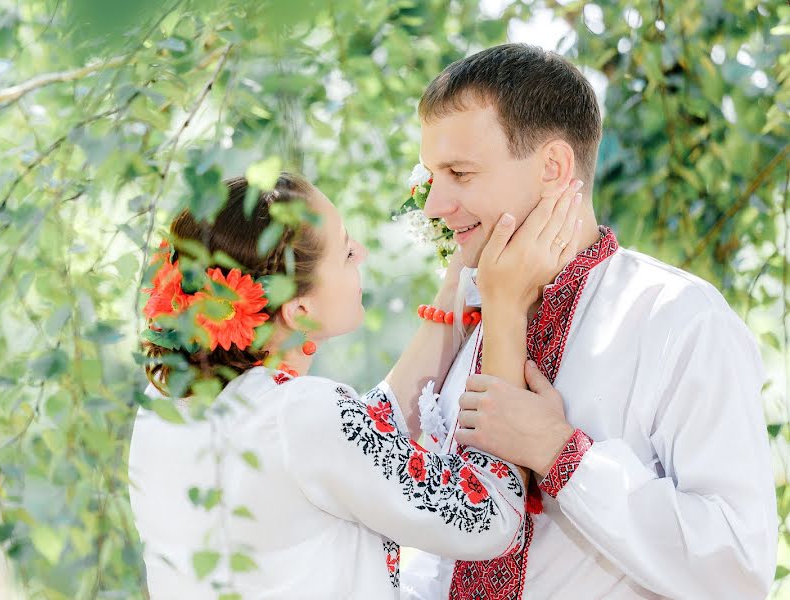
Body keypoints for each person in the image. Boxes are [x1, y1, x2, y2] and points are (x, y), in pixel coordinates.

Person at [399, 43, 778, 600]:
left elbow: (739, 569)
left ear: (553, 167)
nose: (434, 205)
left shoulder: (677, 318)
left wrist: (562, 454)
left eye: (460, 173)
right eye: (434, 175)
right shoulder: (468, 326)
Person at [128, 173, 583, 599]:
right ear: (300, 311)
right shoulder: (301, 416)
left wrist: (457, 290)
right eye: (345, 252)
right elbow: (488, 520)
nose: (362, 252)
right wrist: (505, 308)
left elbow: (356, 445)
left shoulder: (167, 402)